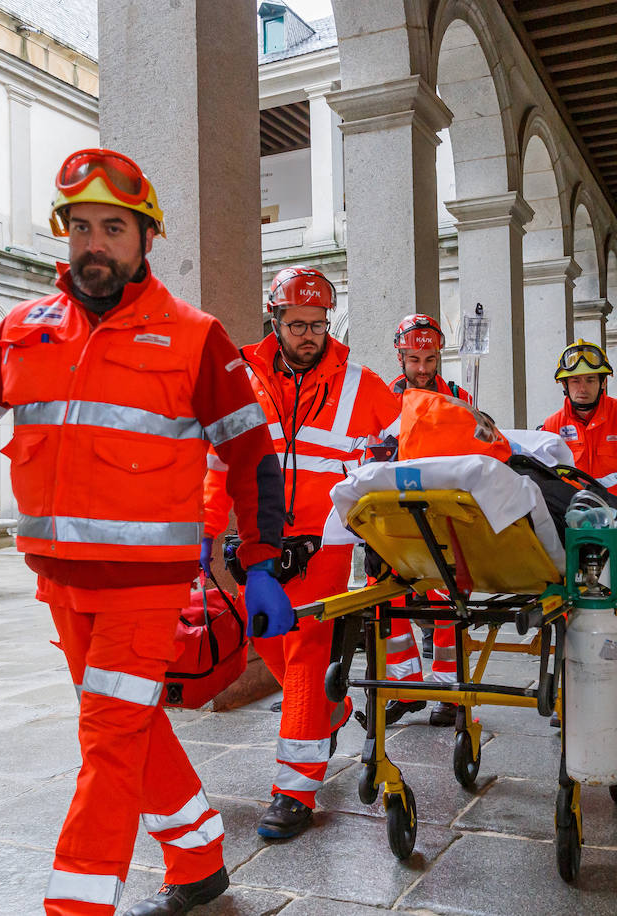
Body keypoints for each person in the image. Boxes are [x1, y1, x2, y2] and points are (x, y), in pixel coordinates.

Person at [0, 149, 288, 916]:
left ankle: (77, 906)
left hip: (146, 588)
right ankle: (199, 853)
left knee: (106, 745)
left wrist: (261, 558)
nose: (94, 243)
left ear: (146, 239)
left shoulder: (195, 337)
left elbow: (250, 456)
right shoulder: (23, 330)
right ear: (64, 234)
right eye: (80, 228)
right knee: (128, 725)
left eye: (112, 227)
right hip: (62, 584)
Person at [203, 265, 400, 841]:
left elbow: (404, 450)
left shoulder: (363, 385)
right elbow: (217, 461)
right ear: (276, 318)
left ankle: (295, 789)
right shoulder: (238, 374)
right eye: (297, 323)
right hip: (255, 548)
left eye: (318, 324)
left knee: (307, 657)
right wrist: (207, 532)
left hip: (326, 546)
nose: (309, 334)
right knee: (271, 645)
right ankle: (329, 716)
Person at [540, 339, 617, 697]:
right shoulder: (550, 426)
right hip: (574, 534)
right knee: (571, 605)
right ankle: (577, 686)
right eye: (576, 381)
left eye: (591, 380)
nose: (583, 387)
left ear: (602, 382)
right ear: (564, 385)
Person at [384, 313, 468, 727]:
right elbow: (369, 461)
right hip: (394, 516)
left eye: (429, 360)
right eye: (414, 359)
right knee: (386, 598)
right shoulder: (383, 399)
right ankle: (405, 687)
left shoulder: (457, 396)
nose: (422, 369)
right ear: (400, 356)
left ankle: (449, 691)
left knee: (447, 600)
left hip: (441, 515)